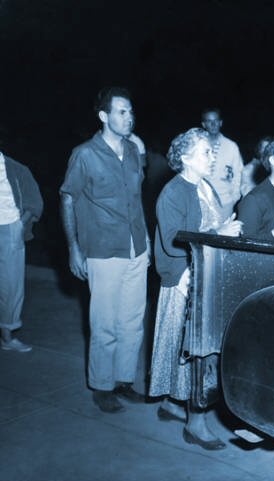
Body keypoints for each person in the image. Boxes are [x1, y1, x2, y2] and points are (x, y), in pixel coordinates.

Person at [151, 127, 242, 450]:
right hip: (185, 279)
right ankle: (196, 423)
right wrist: (221, 231)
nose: (212, 157)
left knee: (182, 349)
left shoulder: (203, 186)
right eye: (205, 152)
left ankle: (172, 405)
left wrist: (223, 230)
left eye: (212, 152)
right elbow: (174, 241)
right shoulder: (173, 192)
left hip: (205, 274)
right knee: (194, 351)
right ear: (186, 157)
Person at [60, 87, 149, 413]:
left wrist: (146, 245)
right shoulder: (84, 154)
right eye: (122, 111)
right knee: (105, 323)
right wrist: (73, 248)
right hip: (102, 249)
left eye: (131, 111)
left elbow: (137, 200)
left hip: (136, 247)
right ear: (104, 116)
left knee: (132, 321)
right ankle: (102, 385)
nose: (129, 117)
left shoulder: (134, 150)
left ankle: (123, 381)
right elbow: (68, 198)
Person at [0, 151, 43, 352]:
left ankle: (7, 338)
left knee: (11, 284)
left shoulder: (17, 168)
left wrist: (20, 224)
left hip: (9, 227)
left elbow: (35, 203)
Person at [201, 108, 244, 218]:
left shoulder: (231, 146)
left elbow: (238, 174)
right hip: (201, 203)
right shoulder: (198, 146)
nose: (213, 124)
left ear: (221, 123)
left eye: (216, 121)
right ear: (203, 124)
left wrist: (234, 198)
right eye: (209, 121)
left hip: (225, 203)